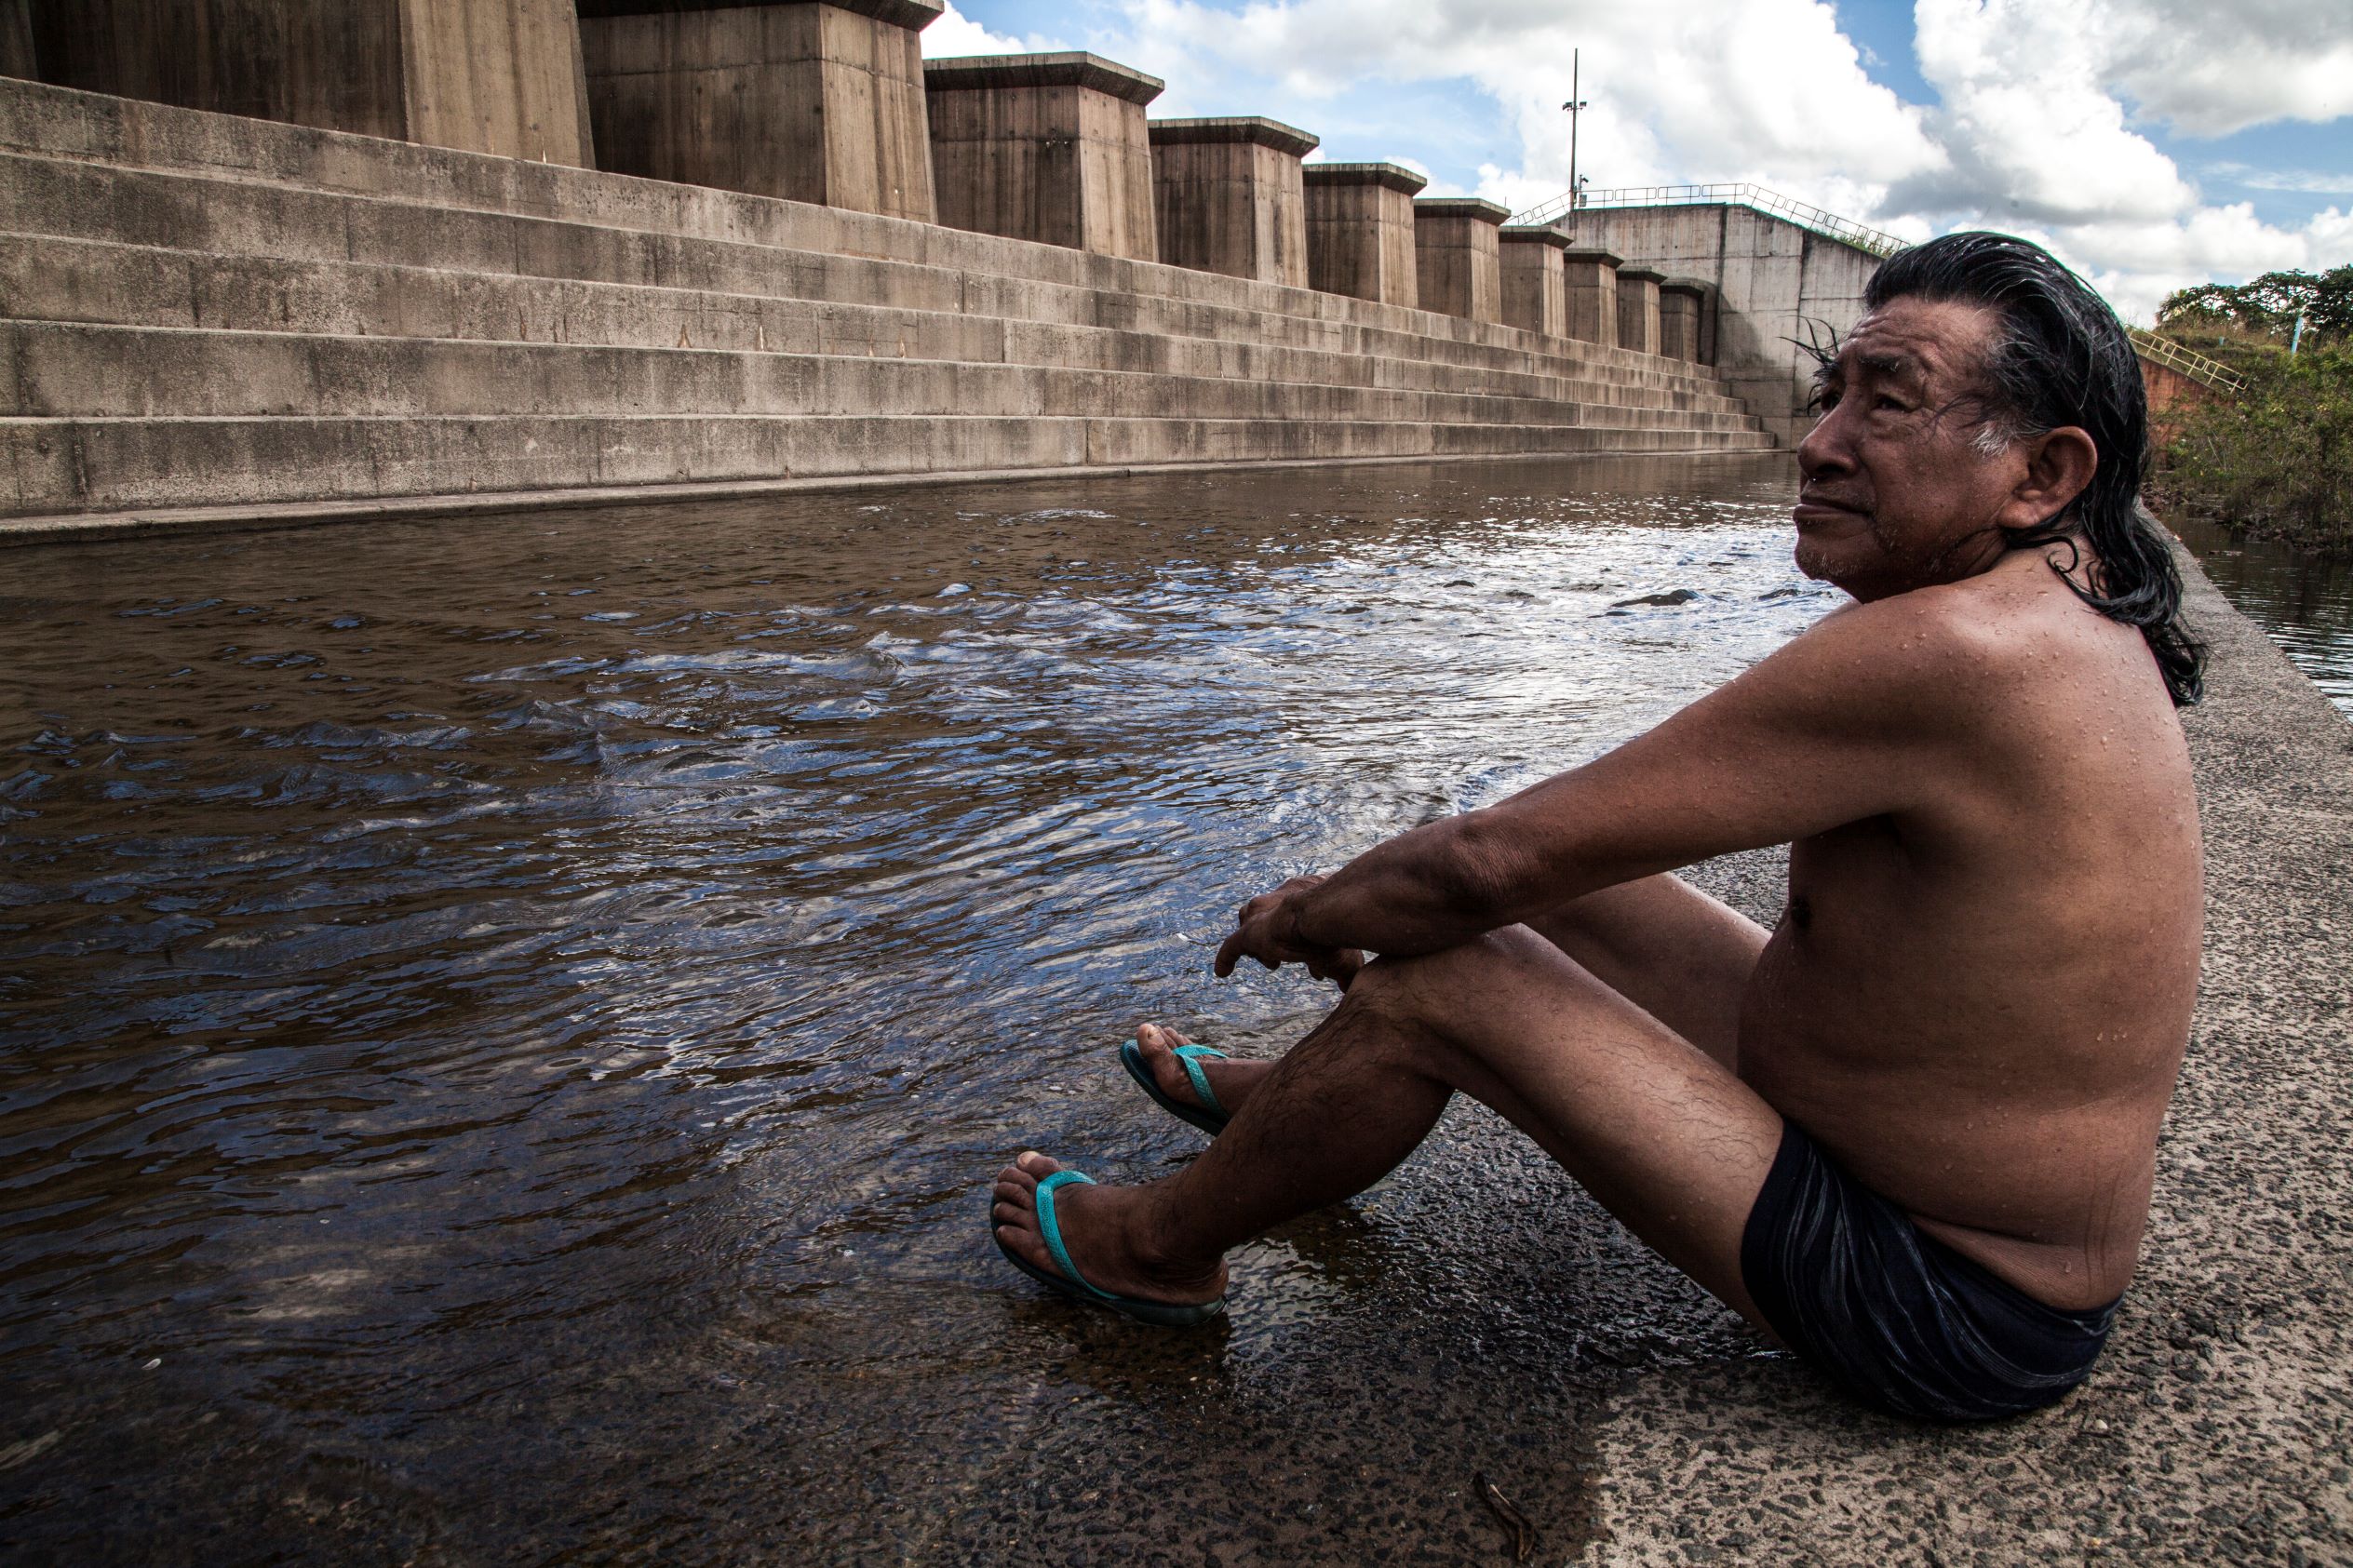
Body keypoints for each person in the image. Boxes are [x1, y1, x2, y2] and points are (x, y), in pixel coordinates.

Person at [988, 231, 2206, 1423]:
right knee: (1549, 882)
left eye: (1887, 404)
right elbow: (1536, 849)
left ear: (2043, 474)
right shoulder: (2064, 605)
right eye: (1830, 393)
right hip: (1898, 1149)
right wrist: (1400, 886)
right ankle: (1295, 1104)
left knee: (1446, 969)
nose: (1819, 441)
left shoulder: (1959, 651)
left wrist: (1306, 914)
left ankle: (1155, 1250)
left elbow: (1483, 868)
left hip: (1952, 1299)